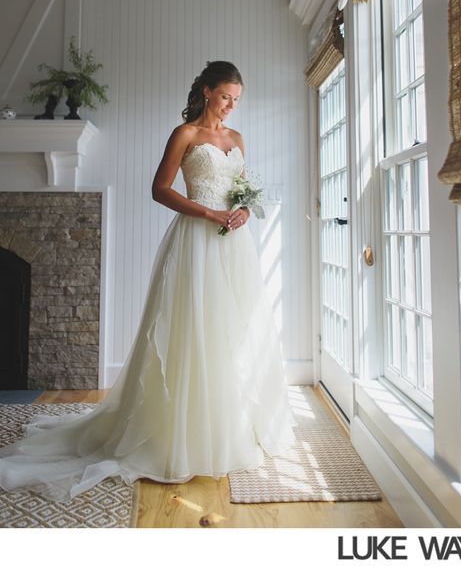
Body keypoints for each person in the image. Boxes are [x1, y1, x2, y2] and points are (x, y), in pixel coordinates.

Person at [0, 61, 295, 502]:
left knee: (233, 333)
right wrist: (210, 213)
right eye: (225, 97)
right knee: (191, 331)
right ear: (207, 92)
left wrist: (244, 211)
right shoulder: (186, 135)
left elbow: (242, 190)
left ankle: (228, 426)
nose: (231, 106)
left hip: (234, 245)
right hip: (196, 240)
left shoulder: (237, 139)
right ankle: (180, 434)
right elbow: (160, 189)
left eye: (237, 99)